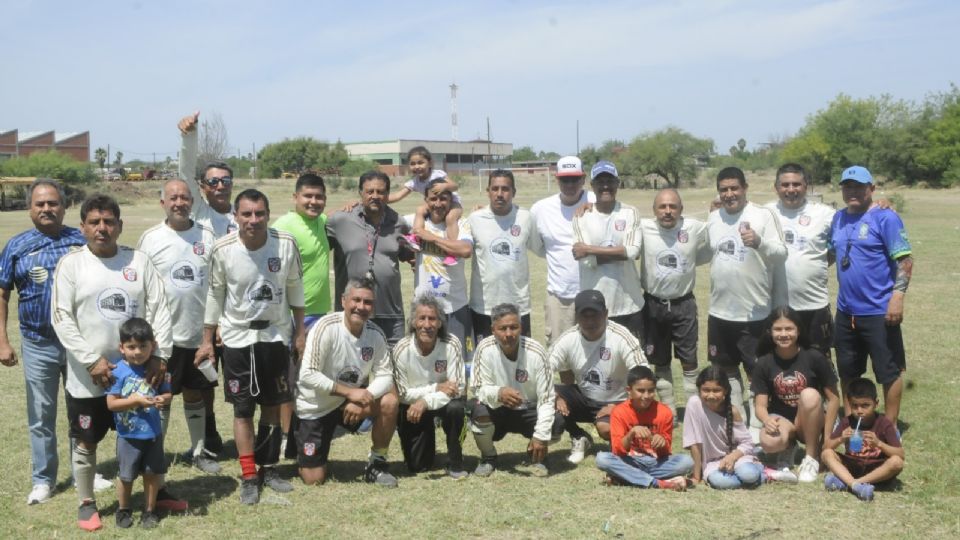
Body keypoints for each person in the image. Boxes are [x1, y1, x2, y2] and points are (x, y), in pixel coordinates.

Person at [51, 194, 175, 531]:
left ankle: (157, 490)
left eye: (109, 222)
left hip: (139, 375)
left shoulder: (139, 261)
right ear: (82, 228)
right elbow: (62, 318)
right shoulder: (71, 265)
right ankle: (87, 501)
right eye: (94, 222)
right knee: (87, 440)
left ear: (119, 225)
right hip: (88, 375)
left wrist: (159, 355)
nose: (102, 228)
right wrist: (93, 360)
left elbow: (160, 309)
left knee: (147, 434)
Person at [196, 189, 306, 505]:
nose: (253, 220)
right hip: (237, 340)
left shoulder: (284, 244)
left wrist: (300, 332)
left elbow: (295, 287)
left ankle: (269, 467)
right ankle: (248, 475)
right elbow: (215, 295)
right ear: (236, 216)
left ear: (268, 215)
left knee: (272, 405)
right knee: (243, 409)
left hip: (273, 337)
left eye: (259, 213)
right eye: (246, 214)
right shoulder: (223, 249)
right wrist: (208, 339)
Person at [0, 179, 86, 504]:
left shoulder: (81, 241)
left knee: (82, 409)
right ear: (29, 209)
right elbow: (2, 292)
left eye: (53, 203)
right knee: (41, 416)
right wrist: (2, 341)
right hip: (38, 343)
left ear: (64, 207)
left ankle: (84, 473)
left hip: (78, 343)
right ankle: (43, 480)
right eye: (40, 204)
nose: (47, 209)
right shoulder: (16, 246)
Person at [136, 178, 221, 474]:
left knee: (195, 394)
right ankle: (156, 452)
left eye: (184, 197)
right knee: (161, 396)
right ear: (163, 203)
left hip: (198, 336)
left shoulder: (207, 236)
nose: (179, 203)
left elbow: (216, 284)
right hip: (163, 338)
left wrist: (215, 326)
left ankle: (198, 452)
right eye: (173, 198)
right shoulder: (151, 238)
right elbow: (141, 289)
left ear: (192, 202)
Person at [295, 278, 400, 487]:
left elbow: (386, 376)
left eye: (368, 302)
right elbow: (307, 374)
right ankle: (300, 446)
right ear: (343, 301)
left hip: (352, 402)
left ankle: (377, 463)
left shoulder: (375, 334)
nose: (361, 307)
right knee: (313, 479)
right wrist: (349, 393)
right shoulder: (325, 328)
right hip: (316, 407)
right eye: (356, 300)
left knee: (390, 400)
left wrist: (363, 397)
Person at [830, 165, 912, 430]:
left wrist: (897, 296)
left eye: (859, 186)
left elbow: (905, 259)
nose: (853, 191)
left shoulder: (885, 217)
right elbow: (830, 253)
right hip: (846, 312)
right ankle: (851, 420)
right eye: (848, 186)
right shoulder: (839, 218)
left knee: (888, 370)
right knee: (847, 370)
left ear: (871, 189)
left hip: (879, 310)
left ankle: (889, 425)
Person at [706, 166, 787, 424]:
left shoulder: (763, 214)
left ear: (745, 188)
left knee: (756, 371)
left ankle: (756, 423)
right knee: (727, 370)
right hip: (719, 312)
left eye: (734, 188)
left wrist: (759, 242)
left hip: (754, 312)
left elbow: (781, 252)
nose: (729, 194)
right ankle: (735, 419)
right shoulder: (713, 217)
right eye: (724, 189)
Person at [549, 289, 649, 465]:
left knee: (605, 429)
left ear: (606, 314)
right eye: (584, 316)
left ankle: (625, 440)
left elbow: (644, 377)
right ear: (576, 316)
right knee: (545, 394)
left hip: (617, 401)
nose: (590, 321)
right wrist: (555, 396)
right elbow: (541, 370)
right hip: (585, 398)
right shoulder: (568, 338)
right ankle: (579, 436)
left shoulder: (621, 336)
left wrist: (619, 408)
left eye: (595, 315)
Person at [272, 173, 332, 459]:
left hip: (320, 315)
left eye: (319, 197)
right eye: (307, 196)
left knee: (312, 379)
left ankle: (310, 429)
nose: (313, 201)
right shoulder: (284, 226)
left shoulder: (322, 222)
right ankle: (287, 437)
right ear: (295, 197)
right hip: (292, 316)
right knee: (289, 380)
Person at [639, 188, 712, 415]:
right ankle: (669, 410)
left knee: (689, 360)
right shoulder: (642, 227)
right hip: (653, 304)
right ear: (654, 210)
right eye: (662, 207)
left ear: (681, 209)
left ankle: (692, 411)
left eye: (673, 207)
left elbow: (711, 245)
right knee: (660, 361)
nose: (668, 211)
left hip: (684, 304)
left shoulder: (694, 227)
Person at [470, 303, 563, 477]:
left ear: (521, 327)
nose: (509, 334)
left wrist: (541, 436)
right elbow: (477, 388)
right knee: (478, 411)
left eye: (514, 327)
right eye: (502, 328)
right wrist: (499, 393)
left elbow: (546, 399)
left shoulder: (537, 352)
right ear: (493, 329)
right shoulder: (484, 348)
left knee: (557, 422)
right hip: (498, 410)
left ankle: (538, 456)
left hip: (528, 409)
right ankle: (488, 457)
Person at [752, 306, 840, 483]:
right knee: (769, 442)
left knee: (809, 395)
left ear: (798, 330)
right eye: (778, 329)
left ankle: (811, 457)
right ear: (770, 332)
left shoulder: (814, 357)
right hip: (783, 420)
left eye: (789, 328)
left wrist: (828, 439)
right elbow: (760, 405)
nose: (784, 334)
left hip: (811, 418)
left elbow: (833, 399)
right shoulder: (764, 362)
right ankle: (789, 446)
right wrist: (766, 420)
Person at [327, 171, 414, 346]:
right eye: (370, 191)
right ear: (360, 193)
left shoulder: (399, 223)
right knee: (353, 370)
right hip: (352, 311)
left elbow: (412, 257)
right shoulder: (340, 221)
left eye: (381, 192)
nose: (375, 196)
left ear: (388, 194)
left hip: (390, 313)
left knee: (392, 368)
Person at [106, 318, 172, 529]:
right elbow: (111, 404)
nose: (137, 352)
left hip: (152, 433)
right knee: (126, 476)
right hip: (128, 437)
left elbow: (168, 392)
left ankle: (150, 510)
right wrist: (134, 401)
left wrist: (165, 399)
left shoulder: (157, 369)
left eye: (143, 346)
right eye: (131, 346)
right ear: (121, 348)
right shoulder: (118, 371)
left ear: (152, 346)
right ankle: (123, 509)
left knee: (152, 474)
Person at [766, 163, 837, 357]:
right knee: (780, 366)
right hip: (776, 307)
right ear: (776, 187)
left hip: (814, 305)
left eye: (796, 184)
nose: (791, 190)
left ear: (806, 186)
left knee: (820, 364)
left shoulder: (825, 214)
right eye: (785, 185)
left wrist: (877, 206)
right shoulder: (764, 213)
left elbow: (840, 245)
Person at [393, 295, 467, 477]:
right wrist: (435, 388)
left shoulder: (451, 344)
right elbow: (402, 394)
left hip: (438, 403)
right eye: (422, 318)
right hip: (413, 408)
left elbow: (458, 389)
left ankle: (455, 460)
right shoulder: (401, 350)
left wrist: (426, 401)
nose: (427, 325)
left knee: (456, 408)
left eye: (432, 318)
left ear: (440, 323)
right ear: (413, 322)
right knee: (418, 466)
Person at [467, 171, 544, 341]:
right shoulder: (475, 219)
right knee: (485, 361)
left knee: (519, 363)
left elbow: (542, 249)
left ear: (514, 192)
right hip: (484, 307)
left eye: (505, 189)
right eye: (495, 189)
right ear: (488, 191)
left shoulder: (526, 217)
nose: (500, 194)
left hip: (518, 307)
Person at [572, 161, 644, 339]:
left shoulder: (630, 212)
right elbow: (586, 261)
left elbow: (633, 252)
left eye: (610, 181)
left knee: (633, 363)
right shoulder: (582, 215)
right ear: (592, 186)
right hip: (595, 305)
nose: (605, 186)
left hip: (629, 303)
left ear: (617, 183)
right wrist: (620, 253)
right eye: (600, 181)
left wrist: (589, 249)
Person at [530, 156, 596, 346]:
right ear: (557, 179)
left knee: (595, 350)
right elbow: (538, 247)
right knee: (561, 352)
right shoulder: (540, 209)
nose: (570, 184)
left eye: (575, 179)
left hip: (593, 292)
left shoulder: (596, 201)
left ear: (583, 179)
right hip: (559, 296)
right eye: (565, 179)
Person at [594, 366, 693, 490]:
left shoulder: (664, 412)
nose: (646, 396)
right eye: (640, 390)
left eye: (651, 391)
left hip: (656, 463)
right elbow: (618, 451)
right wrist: (631, 434)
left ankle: (624, 477)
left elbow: (665, 453)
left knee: (687, 462)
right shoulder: (619, 412)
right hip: (630, 460)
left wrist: (661, 442)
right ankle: (658, 483)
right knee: (602, 459)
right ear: (629, 390)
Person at [409, 178, 474, 359]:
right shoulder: (417, 222)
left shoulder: (460, 223)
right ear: (426, 201)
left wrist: (432, 238)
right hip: (424, 307)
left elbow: (466, 250)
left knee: (460, 358)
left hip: (455, 306)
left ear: (451, 200)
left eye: (443, 199)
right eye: (433, 199)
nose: (438, 204)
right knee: (423, 358)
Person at [821, 377, 904, 502]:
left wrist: (879, 444)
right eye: (855, 406)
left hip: (876, 469)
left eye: (865, 405)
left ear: (876, 403)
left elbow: (901, 454)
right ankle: (856, 486)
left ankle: (851, 483)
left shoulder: (884, 424)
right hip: (852, 465)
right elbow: (826, 447)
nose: (859, 411)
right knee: (826, 454)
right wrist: (841, 439)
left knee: (896, 462)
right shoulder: (847, 422)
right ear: (849, 403)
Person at [682, 366, 762, 489]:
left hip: (736, 457)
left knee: (749, 475)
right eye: (706, 390)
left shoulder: (733, 411)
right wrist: (696, 477)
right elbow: (694, 443)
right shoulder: (694, 404)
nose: (711, 395)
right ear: (699, 389)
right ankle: (753, 477)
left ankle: (764, 472)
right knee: (722, 482)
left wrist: (732, 457)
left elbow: (747, 443)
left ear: (725, 391)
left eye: (716, 390)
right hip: (712, 463)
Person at [395, 146, 462, 265]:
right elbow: (397, 196)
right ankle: (415, 238)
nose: (417, 166)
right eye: (413, 164)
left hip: (453, 204)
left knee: (450, 218)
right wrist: (380, 199)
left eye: (421, 162)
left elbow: (455, 186)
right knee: (420, 209)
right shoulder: (414, 181)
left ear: (430, 162)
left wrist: (445, 186)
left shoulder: (437, 175)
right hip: (433, 205)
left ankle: (452, 252)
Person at [177, 111, 238, 237]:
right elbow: (186, 172)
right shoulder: (199, 211)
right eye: (213, 182)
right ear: (203, 187)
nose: (220, 186)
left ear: (232, 185)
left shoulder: (244, 215)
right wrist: (189, 135)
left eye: (225, 181)